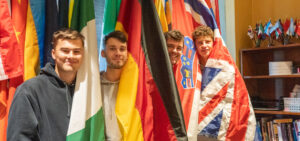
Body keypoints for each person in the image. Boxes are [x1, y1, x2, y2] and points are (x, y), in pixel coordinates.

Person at [7, 28, 85, 141]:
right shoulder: (29, 90)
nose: (71, 56)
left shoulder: (87, 92)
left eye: (76, 51)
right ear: (53, 54)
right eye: (65, 51)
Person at [100, 31, 128, 140]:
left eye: (122, 49)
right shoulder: (93, 86)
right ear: (103, 53)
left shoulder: (135, 87)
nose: (118, 53)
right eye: (112, 48)